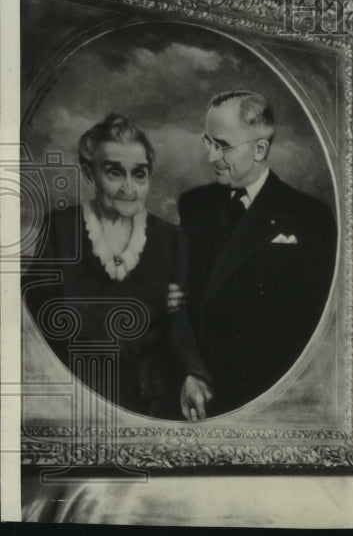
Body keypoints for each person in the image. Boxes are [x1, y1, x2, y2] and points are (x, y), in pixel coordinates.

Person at [23, 113, 213, 421]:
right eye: (114, 173)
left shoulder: (171, 239)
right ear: (89, 173)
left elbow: (178, 325)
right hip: (74, 391)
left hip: (147, 397)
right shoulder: (61, 229)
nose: (129, 187)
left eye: (139, 175)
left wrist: (193, 374)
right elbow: (36, 320)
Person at [178, 91, 336, 416]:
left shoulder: (309, 217)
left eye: (222, 145)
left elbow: (318, 328)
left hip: (270, 396)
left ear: (260, 149)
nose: (210, 157)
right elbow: (184, 303)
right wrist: (188, 372)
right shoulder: (194, 206)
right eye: (207, 142)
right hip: (200, 392)